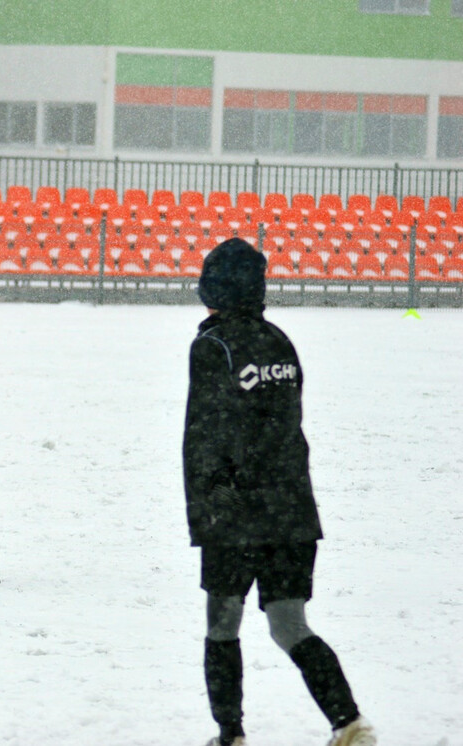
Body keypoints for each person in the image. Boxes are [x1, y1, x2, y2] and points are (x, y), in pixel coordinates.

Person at [183, 238, 374, 746]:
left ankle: (230, 735)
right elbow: (284, 427)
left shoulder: (212, 346)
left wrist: (212, 503)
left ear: (215, 291)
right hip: (290, 509)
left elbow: (205, 434)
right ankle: (350, 724)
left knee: (222, 624)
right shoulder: (280, 342)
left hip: (236, 511)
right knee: (290, 625)